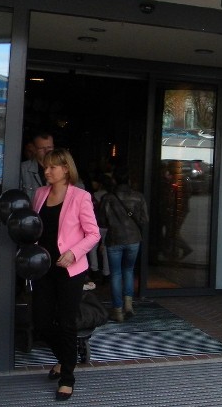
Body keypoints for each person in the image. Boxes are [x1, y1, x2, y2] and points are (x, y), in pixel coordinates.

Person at [31, 148, 100, 401]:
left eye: (52, 167)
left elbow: (93, 234)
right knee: (41, 321)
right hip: (43, 267)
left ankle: (67, 377)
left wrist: (73, 252)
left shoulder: (80, 197)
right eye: (45, 167)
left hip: (70, 269)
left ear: (66, 170)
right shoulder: (39, 194)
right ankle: (65, 358)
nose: (46, 171)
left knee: (67, 322)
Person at [97, 167, 148, 323]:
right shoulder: (138, 197)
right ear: (129, 180)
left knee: (116, 274)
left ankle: (117, 311)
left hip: (114, 240)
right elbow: (145, 219)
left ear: (114, 180)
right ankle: (128, 305)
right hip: (133, 240)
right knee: (128, 271)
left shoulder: (108, 198)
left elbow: (102, 222)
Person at [87, 173, 113, 288]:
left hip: (96, 225)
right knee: (106, 249)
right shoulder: (112, 196)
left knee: (92, 248)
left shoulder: (94, 195)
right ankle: (106, 273)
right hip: (108, 226)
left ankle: (94, 270)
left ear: (99, 183)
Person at [20, 131, 55, 202]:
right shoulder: (23, 169)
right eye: (42, 148)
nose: (46, 151)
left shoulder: (62, 167)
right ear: (34, 149)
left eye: (49, 147)